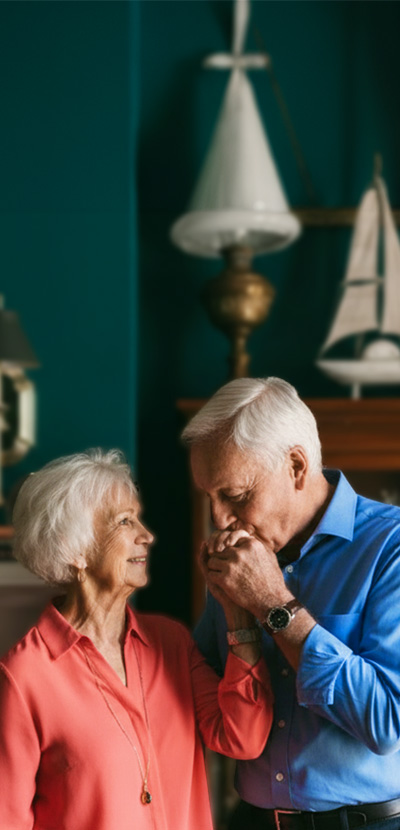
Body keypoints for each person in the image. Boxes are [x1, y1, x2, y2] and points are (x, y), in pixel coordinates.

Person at [0, 449, 274, 830]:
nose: (146, 535)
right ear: (77, 549)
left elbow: (243, 738)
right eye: (125, 522)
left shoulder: (171, 642)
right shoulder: (24, 676)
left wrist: (238, 613)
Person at [182, 376, 400, 830]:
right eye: (210, 497)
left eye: (236, 496)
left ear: (297, 466)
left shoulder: (390, 547)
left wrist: (271, 603)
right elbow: (200, 689)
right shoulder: (236, 555)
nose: (218, 519)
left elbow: (386, 721)